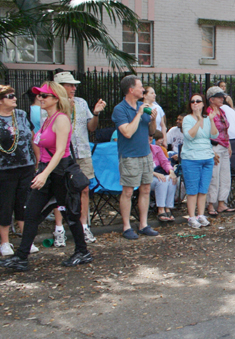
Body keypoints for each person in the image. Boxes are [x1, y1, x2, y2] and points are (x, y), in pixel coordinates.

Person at [1, 82, 90, 271]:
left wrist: (44, 174)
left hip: (61, 173)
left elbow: (60, 152)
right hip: (48, 172)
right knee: (31, 213)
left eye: (44, 96)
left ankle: (82, 252)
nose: (40, 98)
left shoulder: (61, 119)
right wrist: (42, 171)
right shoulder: (47, 119)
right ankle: (21, 257)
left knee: (70, 214)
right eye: (39, 96)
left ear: (55, 99)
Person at [52, 70, 106, 245]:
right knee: (60, 191)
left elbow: (91, 128)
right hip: (61, 154)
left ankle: (84, 226)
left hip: (82, 152)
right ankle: (59, 228)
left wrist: (96, 113)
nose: (74, 88)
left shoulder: (81, 103)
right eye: (70, 85)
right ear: (60, 87)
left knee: (83, 188)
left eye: (74, 85)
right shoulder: (51, 104)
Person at [111, 75, 158, 240]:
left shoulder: (143, 106)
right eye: (140, 87)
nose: (143, 89)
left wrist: (152, 119)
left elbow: (151, 131)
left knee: (145, 189)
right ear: (131, 90)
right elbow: (128, 132)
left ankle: (144, 224)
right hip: (129, 156)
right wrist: (138, 114)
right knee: (128, 191)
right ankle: (126, 226)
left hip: (145, 153)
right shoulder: (120, 109)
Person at [0, 86, 38, 257]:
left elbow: (32, 138)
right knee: (5, 205)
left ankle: (26, 239)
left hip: (26, 166)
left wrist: (37, 161)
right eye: (10, 96)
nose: (15, 98)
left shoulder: (21, 115)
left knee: (25, 203)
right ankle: (5, 242)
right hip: (4, 169)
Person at [181, 93, 218, 229]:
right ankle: (192, 217)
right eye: (192, 101)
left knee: (203, 189)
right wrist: (198, 120)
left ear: (203, 104)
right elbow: (189, 136)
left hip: (207, 157)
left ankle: (201, 215)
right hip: (191, 158)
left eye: (198, 101)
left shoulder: (207, 119)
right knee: (192, 190)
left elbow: (214, 135)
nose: (195, 103)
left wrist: (212, 120)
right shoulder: (187, 119)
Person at [204, 86, 233, 216]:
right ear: (211, 99)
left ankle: (222, 202)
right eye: (219, 97)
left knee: (225, 176)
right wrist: (210, 150)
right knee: (214, 177)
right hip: (214, 146)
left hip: (224, 146)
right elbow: (206, 133)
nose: (223, 99)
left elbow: (226, 129)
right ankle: (211, 204)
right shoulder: (207, 113)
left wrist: (229, 145)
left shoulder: (222, 111)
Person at [151, 130, 178, 223]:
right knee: (162, 180)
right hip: (146, 176)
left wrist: (171, 171)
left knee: (171, 179)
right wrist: (154, 173)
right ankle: (160, 210)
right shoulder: (139, 150)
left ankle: (168, 208)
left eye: (151, 136)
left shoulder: (157, 149)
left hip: (159, 173)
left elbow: (164, 162)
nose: (150, 138)